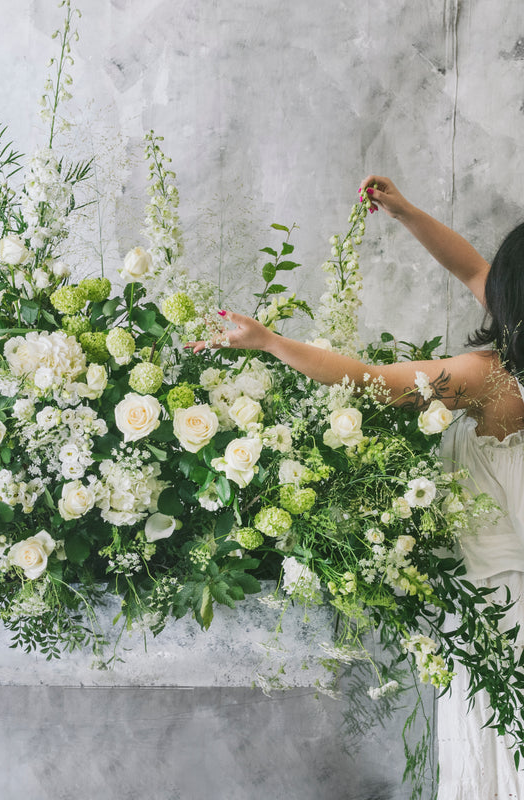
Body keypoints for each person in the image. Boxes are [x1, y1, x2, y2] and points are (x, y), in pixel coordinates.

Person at [187, 174, 524, 797]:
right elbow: (472, 266)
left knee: (497, 747)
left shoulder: (484, 377)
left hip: (499, 608)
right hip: (510, 591)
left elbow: (369, 379)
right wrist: (407, 213)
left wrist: (269, 341)